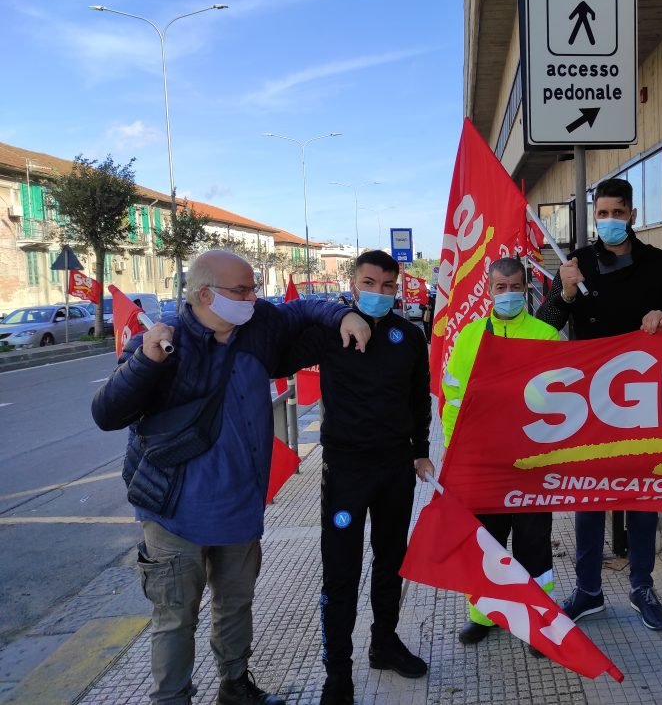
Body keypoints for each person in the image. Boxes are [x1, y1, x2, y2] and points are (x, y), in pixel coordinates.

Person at [92, 250, 370, 705]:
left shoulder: (256, 326)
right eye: (242, 290)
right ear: (205, 294)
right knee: (176, 617)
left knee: (236, 604)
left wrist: (343, 315)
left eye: (254, 288)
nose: (253, 298)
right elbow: (107, 412)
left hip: (239, 508)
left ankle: (235, 686)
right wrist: (145, 360)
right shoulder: (163, 341)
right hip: (174, 513)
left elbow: (302, 310)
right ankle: (172, 699)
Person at [535, 177, 662, 631]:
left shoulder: (661, 265)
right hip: (588, 399)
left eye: (617, 212)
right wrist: (566, 293)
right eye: (602, 214)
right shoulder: (575, 264)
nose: (610, 220)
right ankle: (587, 590)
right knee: (588, 499)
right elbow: (544, 324)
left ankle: (642, 586)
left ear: (632, 214)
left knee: (643, 498)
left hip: (644, 399)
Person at [277, 250, 432, 705]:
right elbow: (277, 347)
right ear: (352, 284)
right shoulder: (331, 332)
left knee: (391, 561)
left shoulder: (409, 335)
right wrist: (335, 314)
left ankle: (384, 643)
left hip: (395, 468)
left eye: (388, 286)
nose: (379, 293)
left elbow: (419, 398)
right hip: (346, 471)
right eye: (369, 283)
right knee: (341, 572)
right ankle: (338, 673)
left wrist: (421, 452)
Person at [441, 257, 561, 651]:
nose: (508, 294)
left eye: (515, 287)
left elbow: (563, 401)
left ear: (526, 288)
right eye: (500, 287)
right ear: (488, 290)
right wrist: (454, 453)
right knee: (487, 543)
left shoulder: (546, 335)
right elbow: (453, 398)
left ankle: (538, 619)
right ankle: (483, 615)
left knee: (534, 544)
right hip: (482, 463)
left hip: (531, 463)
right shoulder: (470, 336)